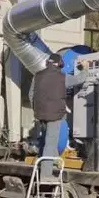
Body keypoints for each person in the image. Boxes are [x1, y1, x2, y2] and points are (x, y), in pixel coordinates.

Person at [32, 53, 67, 181]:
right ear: (59, 64)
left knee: (47, 140)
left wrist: (37, 110)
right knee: (51, 143)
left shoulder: (38, 76)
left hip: (41, 115)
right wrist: (86, 69)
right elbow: (78, 79)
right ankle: (46, 175)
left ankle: (55, 164)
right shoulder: (62, 77)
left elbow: (32, 94)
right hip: (54, 115)